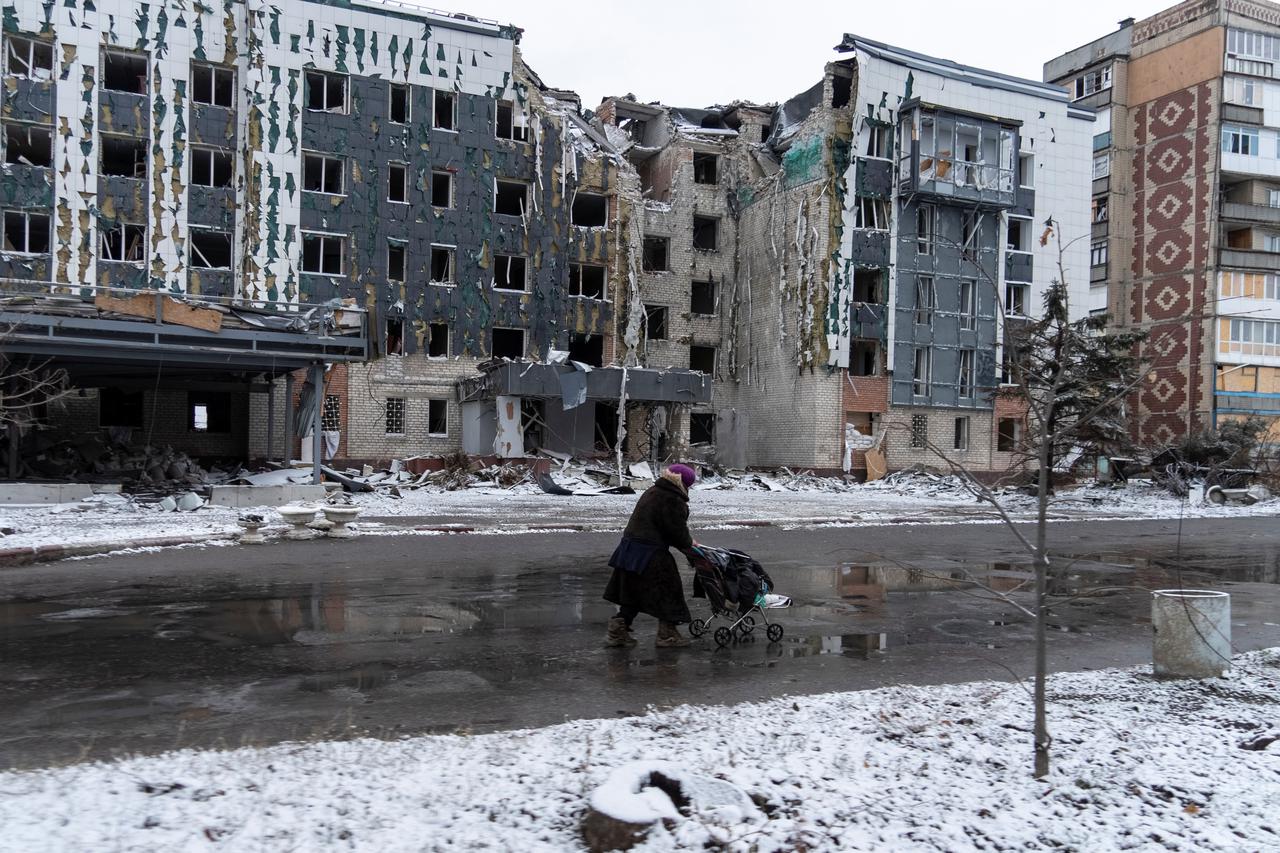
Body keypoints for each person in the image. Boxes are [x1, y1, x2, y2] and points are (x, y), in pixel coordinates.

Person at [603, 463, 698, 648]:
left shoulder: (654, 490)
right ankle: (667, 634)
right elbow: (676, 532)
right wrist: (691, 546)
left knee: (633, 592)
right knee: (669, 591)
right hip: (650, 553)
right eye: (688, 486)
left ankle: (618, 629)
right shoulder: (671, 498)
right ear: (682, 483)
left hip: (630, 550)